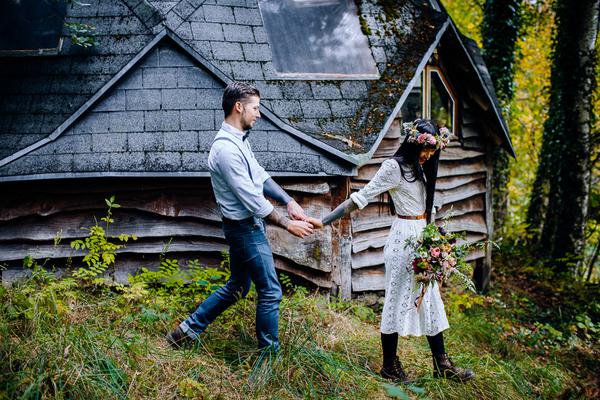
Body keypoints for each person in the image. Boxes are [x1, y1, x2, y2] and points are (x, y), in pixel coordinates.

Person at [319, 119, 475, 382]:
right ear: (413, 144)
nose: (428, 156)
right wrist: (323, 221)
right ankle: (389, 365)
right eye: (425, 150)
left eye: (432, 152)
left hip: (423, 237)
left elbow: (428, 209)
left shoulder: (424, 168)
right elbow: (361, 197)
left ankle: (442, 365)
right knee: (395, 300)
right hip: (404, 240)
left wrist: (440, 240)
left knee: (430, 300)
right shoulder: (393, 168)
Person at [166, 82, 315, 352]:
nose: (259, 114)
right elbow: (251, 198)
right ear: (238, 107)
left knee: (237, 287)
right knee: (270, 291)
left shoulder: (239, 142)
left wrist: (288, 201)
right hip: (244, 229)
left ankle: (185, 332)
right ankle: (269, 358)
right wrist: (286, 223)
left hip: (246, 227)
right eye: (255, 108)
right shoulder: (225, 150)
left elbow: (259, 175)